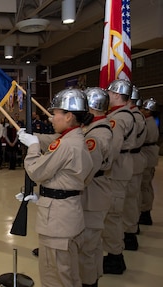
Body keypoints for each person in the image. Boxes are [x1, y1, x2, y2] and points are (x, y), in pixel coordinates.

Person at [17, 88, 93, 287]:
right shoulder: (73, 138)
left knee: (55, 276)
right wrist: (41, 197)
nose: (52, 118)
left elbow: (37, 171)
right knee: (69, 274)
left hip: (58, 223)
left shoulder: (67, 145)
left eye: (56, 113)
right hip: (66, 213)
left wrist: (33, 146)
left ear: (68, 117)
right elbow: (63, 178)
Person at [79, 87, 113, 287]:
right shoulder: (94, 128)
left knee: (87, 246)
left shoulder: (96, 136)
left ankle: (88, 282)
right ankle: (93, 277)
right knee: (94, 244)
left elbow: (85, 171)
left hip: (93, 194)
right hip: (96, 191)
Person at [102, 79, 136, 275]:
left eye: (110, 92)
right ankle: (115, 253)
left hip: (116, 168)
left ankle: (115, 257)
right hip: (121, 166)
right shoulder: (119, 114)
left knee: (112, 215)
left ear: (116, 95)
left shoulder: (119, 118)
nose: (107, 95)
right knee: (112, 213)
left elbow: (112, 148)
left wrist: (101, 166)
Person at [123, 86, 147, 250]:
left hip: (129, 158)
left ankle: (130, 233)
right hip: (132, 158)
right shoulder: (135, 115)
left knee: (129, 200)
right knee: (131, 198)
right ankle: (131, 227)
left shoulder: (133, 117)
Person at [139, 98, 160, 225]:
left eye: (144, 109)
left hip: (148, 156)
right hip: (148, 155)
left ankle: (145, 212)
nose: (142, 111)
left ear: (150, 112)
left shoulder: (148, 123)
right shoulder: (148, 121)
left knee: (145, 186)